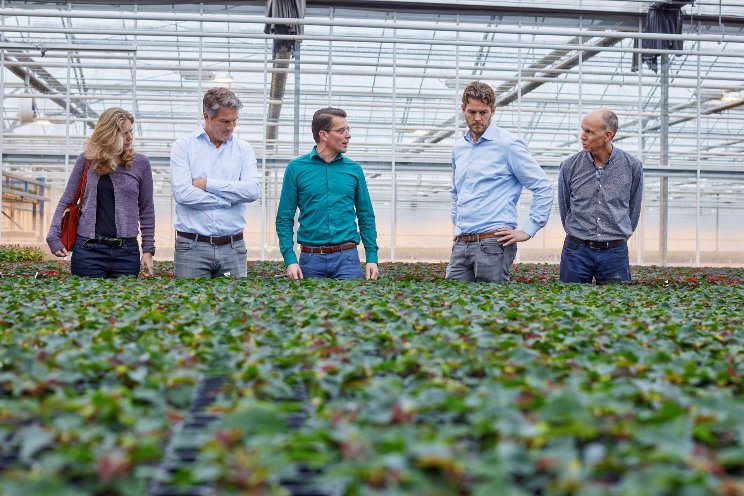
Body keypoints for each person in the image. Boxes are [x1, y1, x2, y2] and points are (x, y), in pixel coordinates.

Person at [447, 81, 553, 283]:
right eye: (472, 112)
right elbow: (456, 192)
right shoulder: (459, 148)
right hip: (461, 244)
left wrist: (528, 230)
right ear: (463, 109)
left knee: (491, 308)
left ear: (493, 111)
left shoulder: (508, 144)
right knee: (452, 307)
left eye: (484, 112)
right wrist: (458, 225)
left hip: (493, 244)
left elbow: (543, 187)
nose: (477, 118)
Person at [46, 108, 155, 278]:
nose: (130, 137)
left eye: (131, 131)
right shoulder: (87, 160)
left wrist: (148, 250)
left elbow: (147, 209)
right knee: (86, 303)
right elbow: (67, 200)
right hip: (89, 252)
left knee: (126, 304)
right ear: (109, 135)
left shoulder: (141, 163)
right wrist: (53, 236)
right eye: (124, 133)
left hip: (126, 254)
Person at [276, 107, 378, 280]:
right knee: (308, 307)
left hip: (347, 259)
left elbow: (366, 216)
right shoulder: (296, 169)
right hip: (310, 260)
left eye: (348, 129)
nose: (348, 135)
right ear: (323, 135)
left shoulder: (354, 170)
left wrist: (372, 257)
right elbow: (284, 218)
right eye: (341, 130)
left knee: (352, 307)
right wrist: (290, 259)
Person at [170, 87, 260, 278]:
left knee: (235, 305)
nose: (230, 127)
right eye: (224, 121)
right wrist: (229, 199)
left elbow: (251, 191)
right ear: (206, 116)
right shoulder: (184, 146)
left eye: (234, 121)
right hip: (191, 247)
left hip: (232, 247)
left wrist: (207, 184)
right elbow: (183, 194)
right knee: (188, 305)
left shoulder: (243, 150)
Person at [558, 109, 643, 284]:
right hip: (576, 250)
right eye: (582, 130)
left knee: (617, 306)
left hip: (615, 252)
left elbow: (633, 208)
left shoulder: (632, 166)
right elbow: (564, 206)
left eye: (589, 132)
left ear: (607, 135)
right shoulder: (569, 166)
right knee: (569, 305)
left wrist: (618, 236)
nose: (582, 136)